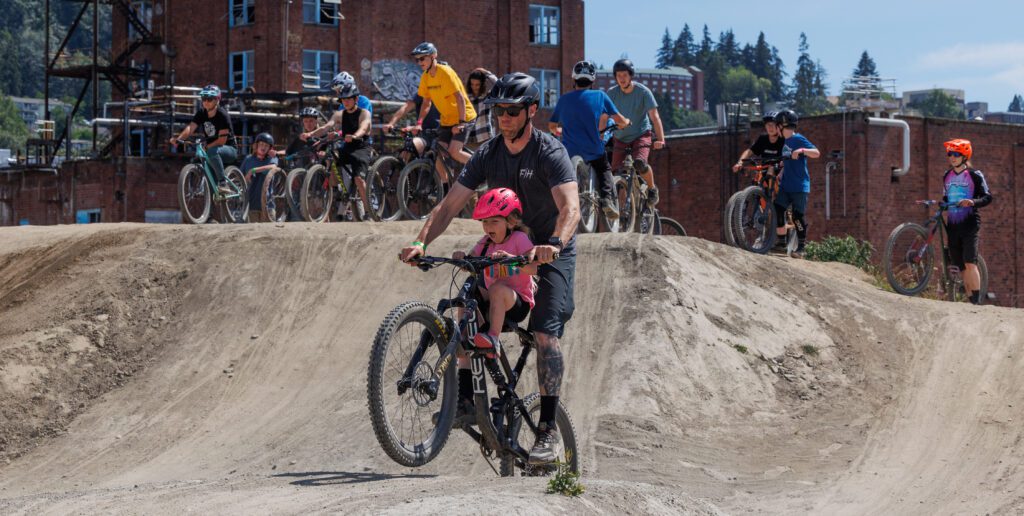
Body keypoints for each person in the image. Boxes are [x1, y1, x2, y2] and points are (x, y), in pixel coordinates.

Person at [399, 72, 579, 466]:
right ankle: (465, 399)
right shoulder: (488, 154)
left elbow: (570, 208)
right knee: (465, 303)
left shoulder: (549, 152)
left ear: (532, 111)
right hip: (501, 249)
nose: (503, 118)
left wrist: (555, 244)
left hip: (549, 250)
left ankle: (546, 431)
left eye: (512, 111)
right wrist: (420, 242)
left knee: (546, 335)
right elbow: (448, 206)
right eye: (498, 111)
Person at [445, 188, 539, 423]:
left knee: (497, 288)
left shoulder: (519, 239)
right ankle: (466, 401)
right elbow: (472, 261)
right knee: (468, 293)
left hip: (516, 302)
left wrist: (511, 259)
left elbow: (533, 268)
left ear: (511, 221)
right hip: (490, 303)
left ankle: (493, 337)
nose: (488, 227)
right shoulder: (485, 243)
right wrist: (462, 259)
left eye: (494, 221)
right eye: (485, 222)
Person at [384, 42, 477, 190]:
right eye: (418, 60)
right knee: (438, 152)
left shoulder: (445, 71)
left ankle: (483, 166)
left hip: (464, 116)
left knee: (454, 151)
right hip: (447, 120)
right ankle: (446, 189)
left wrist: (460, 123)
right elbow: (425, 103)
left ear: (433, 56)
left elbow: (459, 98)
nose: (419, 62)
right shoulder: (426, 77)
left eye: (423, 59)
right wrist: (419, 123)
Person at [549, 60, 630, 219]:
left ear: (574, 79)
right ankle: (607, 200)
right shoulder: (600, 96)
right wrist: (626, 122)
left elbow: (552, 126)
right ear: (592, 80)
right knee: (604, 169)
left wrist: (560, 132)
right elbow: (619, 119)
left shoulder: (564, 99)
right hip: (593, 150)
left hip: (569, 152)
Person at [302, 83, 373, 219]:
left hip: (361, 147)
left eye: (348, 99)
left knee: (358, 178)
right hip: (346, 147)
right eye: (343, 100)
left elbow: (364, 127)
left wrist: (355, 136)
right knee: (332, 161)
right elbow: (327, 126)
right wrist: (311, 134)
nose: (345, 102)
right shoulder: (340, 114)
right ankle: (338, 191)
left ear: (356, 99)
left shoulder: (364, 113)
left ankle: (368, 211)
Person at [606, 59, 666, 207]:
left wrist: (661, 139)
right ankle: (622, 209)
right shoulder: (612, 93)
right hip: (620, 137)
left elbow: (655, 116)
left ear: (631, 75)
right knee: (615, 173)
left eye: (625, 75)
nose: (621, 78)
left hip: (641, 134)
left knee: (639, 163)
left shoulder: (643, 92)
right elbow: (604, 117)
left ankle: (652, 189)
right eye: (618, 75)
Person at [941, 138, 993, 304]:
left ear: (965, 156)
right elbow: (945, 198)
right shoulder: (946, 176)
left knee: (970, 262)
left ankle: (977, 302)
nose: (952, 157)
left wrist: (972, 202)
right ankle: (971, 301)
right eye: (950, 154)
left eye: (956, 154)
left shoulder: (974, 175)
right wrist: (939, 204)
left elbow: (987, 197)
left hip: (970, 224)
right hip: (953, 226)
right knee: (961, 267)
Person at [169, 84, 237, 194]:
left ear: (217, 99)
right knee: (197, 160)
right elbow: (190, 128)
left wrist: (207, 146)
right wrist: (178, 139)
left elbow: (221, 141)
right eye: (203, 98)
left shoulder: (223, 115)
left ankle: (223, 183)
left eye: (209, 99)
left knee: (211, 151)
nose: (206, 102)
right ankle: (209, 195)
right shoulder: (202, 113)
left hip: (228, 149)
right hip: (211, 150)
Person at [773, 109, 820, 254]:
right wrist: (780, 171)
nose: (775, 129)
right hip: (786, 185)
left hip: (799, 185)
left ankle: (801, 247)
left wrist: (801, 151)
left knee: (797, 216)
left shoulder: (798, 139)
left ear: (783, 125)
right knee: (778, 209)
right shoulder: (784, 142)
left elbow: (817, 153)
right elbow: (787, 162)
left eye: (777, 125)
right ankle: (781, 243)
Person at [240, 132, 279, 221]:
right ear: (256, 145)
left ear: (270, 148)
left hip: (268, 206)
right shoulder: (248, 159)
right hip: (251, 206)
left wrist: (253, 170)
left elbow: (273, 167)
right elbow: (240, 177)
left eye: (266, 145)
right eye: (261, 144)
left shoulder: (272, 158)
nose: (263, 147)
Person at [465, 68, 498, 148]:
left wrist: (486, 73)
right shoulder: (466, 97)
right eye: (472, 84)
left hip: (484, 137)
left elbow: (498, 85)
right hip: (468, 138)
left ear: (482, 84)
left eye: (477, 84)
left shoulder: (487, 97)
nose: (474, 87)